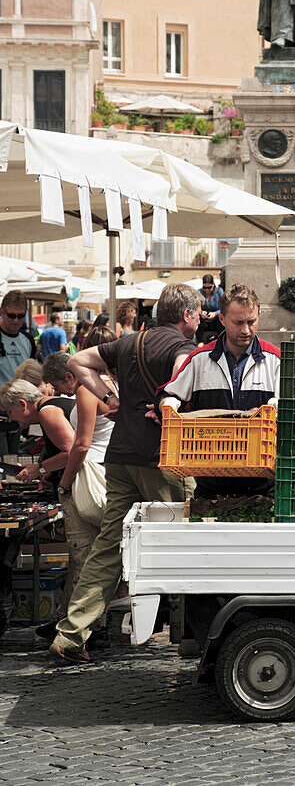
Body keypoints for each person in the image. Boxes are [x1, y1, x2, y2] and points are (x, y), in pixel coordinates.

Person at [49, 283, 202, 665]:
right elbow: (185, 385)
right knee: (188, 547)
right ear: (186, 315)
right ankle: (195, 634)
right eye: (198, 313)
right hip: (162, 460)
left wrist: (110, 398)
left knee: (106, 549)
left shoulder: (129, 342)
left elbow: (76, 362)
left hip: (119, 458)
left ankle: (70, 635)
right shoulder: (182, 349)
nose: (200, 319)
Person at [41, 350, 118, 645]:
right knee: (100, 555)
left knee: (86, 556)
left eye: (60, 387)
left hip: (91, 478)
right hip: (109, 476)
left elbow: (81, 445)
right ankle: (86, 623)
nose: (60, 394)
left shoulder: (88, 389)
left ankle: (84, 628)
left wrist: (64, 482)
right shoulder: (113, 388)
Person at [0, 378, 79, 634]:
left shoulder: (47, 411)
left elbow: (71, 450)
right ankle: (67, 619)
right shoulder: (56, 405)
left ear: (23, 404)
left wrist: (40, 468)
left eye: (11, 412)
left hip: (79, 486)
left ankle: (74, 622)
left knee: (80, 558)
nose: (13, 419)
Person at [159, 284, 280, 415]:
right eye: (238, 322)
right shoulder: (198, 359)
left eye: (251, 322)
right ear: (221, 319)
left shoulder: (275, 360)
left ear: (259, 316)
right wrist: (166, 404)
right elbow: (167, 396)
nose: (245, 330)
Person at [0, 291, 36, 383]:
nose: (16, 320)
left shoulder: (28, 340)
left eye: (20, 316)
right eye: (11, 315)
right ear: (2, 313)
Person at [197, 273, 225, 342]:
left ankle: (220, 340)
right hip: (204, 317)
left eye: (209, 287)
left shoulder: (219, 292)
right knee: (197, 318)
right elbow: (196, 307)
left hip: (216, 317)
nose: (206, 290)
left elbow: (223, 307)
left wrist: (215, 314)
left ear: (213, 285)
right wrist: (201, 312)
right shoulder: (199, 292)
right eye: (204, 287)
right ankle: (200, 341)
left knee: (221, 318)